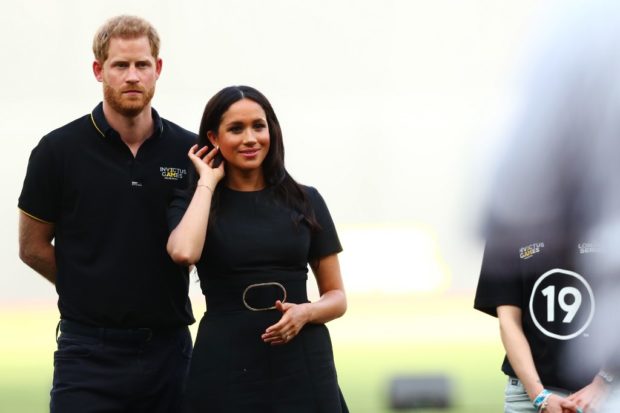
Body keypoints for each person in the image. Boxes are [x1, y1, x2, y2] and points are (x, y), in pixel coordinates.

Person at [18, 15, 196, 412]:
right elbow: (31, 247)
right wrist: (91, 288)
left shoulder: (190, 152)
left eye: (142, 65)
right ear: (99, 70)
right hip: (87, 354)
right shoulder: (57, 151)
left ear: (158, 69)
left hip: (170, 351)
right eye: (120, 65)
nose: (132, 76)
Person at [167, 85, 349, 412]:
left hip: (302, 360)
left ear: (271, 131)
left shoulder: (306, 200)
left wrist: (305, 312)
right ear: (213, 137)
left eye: (258, 126)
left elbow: (337, 297)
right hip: (225, 362)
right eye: (236, 129)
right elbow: (183, 252)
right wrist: (207, 181)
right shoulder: (195, 201)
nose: (250, 138)